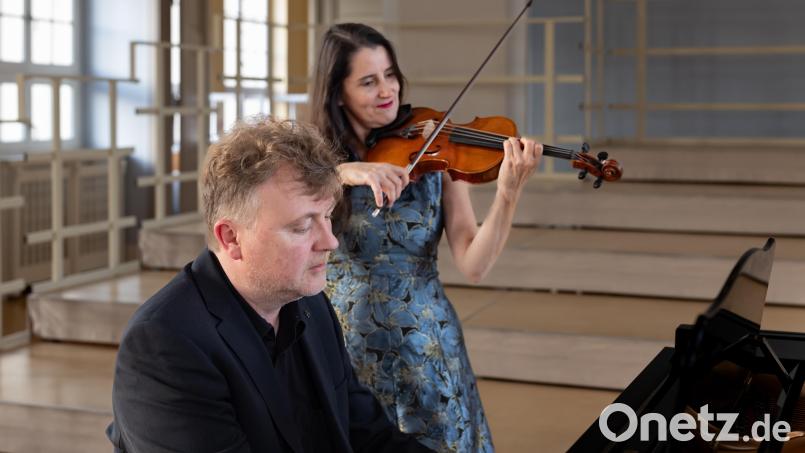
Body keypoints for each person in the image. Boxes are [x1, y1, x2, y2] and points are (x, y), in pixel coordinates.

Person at [106, 117, 434, 453]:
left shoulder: (312, 305)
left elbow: (370, 436)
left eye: (326, 217)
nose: (330, 242)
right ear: (231, 238)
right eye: (302, 227)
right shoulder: (163, 345)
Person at [311, 23, 543, 453]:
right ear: (338, 93)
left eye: (390, 75)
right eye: (368, 81)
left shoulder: (435, 153)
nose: (388, 90)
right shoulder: (316, 161)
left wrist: (507, 194)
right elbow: (282, 198)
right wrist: (345, 171)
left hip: (426, 346)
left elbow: (474, 264)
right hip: (345, 348)